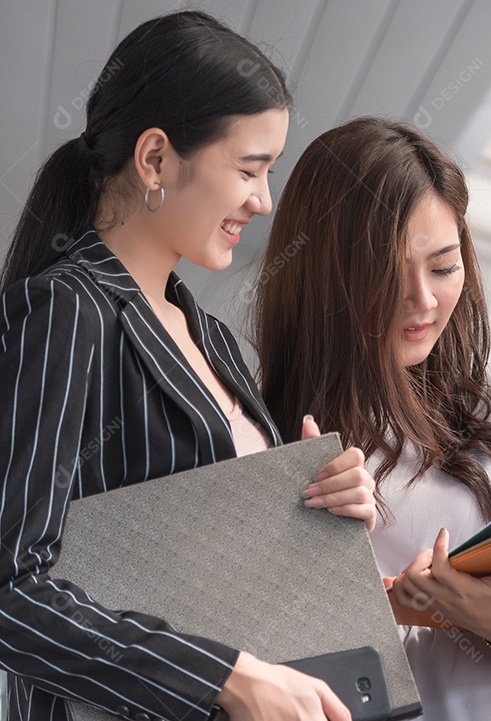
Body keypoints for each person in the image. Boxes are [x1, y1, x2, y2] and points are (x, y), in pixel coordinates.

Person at [0, 11, 376, 721]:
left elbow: (210, 572)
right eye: (249, 168)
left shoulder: (214, 341)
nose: (264, 201)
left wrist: (316, 508)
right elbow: (10, 586)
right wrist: (221, 678)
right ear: (155, 160)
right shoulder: (66, 310)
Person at [255, 116, 491, 720]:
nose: (424, 300)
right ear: (327, 274)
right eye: (389, 271)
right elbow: (252, 640)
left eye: (443, 266)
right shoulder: (262, 431)